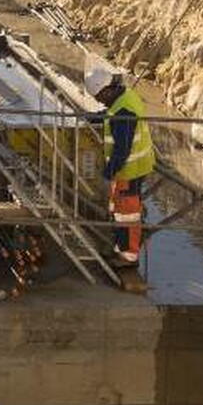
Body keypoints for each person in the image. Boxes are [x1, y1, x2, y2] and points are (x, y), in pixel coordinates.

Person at [85, 67, 155, 267]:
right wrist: (94, 117)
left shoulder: (123, 112)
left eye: (99, 96)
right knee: (120, 209)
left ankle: (128, 256)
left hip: (130, 169)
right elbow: (110, 112)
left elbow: (122, 149)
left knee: (128, 213)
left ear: (107, 89)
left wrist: (109, 172)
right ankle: (120, 247)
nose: (99, 100)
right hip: (135, 166)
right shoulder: (124, 97)